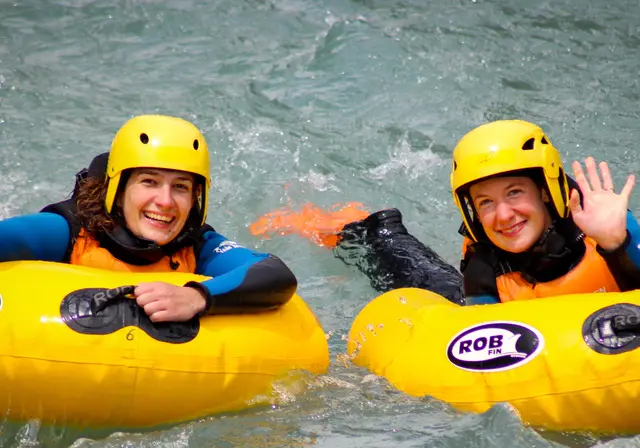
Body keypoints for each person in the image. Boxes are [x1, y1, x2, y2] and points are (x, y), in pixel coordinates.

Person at [249, 119, 640, 305]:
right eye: (485, 202)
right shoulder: (485, 266)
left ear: (545, 191)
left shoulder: (608, 227)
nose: (503, 215)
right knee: (413, 272)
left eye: (515, 193)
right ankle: (361, 227)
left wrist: (616, 245)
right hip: (466, 301)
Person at [0, 114, 298, 321]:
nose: (165, 202)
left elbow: (275, 275)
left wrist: (197, 297)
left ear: (196, 197)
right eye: (149, 182)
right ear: (118, 189)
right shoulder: (67, 232)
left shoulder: (196, 245)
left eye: (180, 187)